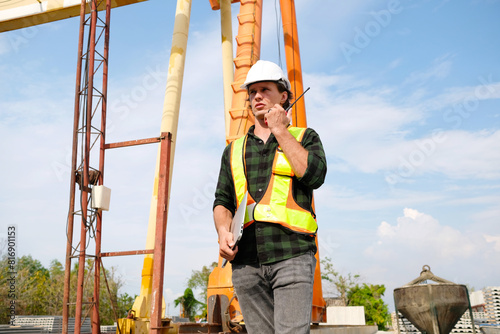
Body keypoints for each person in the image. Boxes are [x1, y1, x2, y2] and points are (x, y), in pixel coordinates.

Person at [213, 60, 327, 334]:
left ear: (284, 96)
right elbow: (222, 201)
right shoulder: (233, 151)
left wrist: (280, 130)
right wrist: (221, 232)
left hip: (292, 255)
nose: (257, 97)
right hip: (246, 263)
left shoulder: (304, 137)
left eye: (265, 90)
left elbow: (314, 176)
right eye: (252, 92)